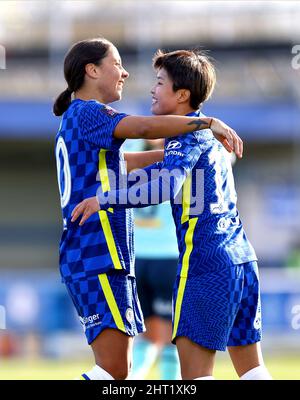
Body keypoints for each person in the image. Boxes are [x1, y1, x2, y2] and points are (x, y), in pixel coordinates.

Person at [72, 49, 272, 380]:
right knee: (253, 370)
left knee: (194, 378)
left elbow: (163, 186)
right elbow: (162, 167)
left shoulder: (185, 134)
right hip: (242, 261)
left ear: (182, 95)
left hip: (205, 264)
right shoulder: (206, 137)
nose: (152, 88)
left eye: (160, 82)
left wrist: (104, 199)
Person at [129, 139, 180, 380]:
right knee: (171, 336)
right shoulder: (176, 156)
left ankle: (133, 378)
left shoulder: (133, 150)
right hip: (167, 255)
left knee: (149, 333)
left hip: (136, 257)